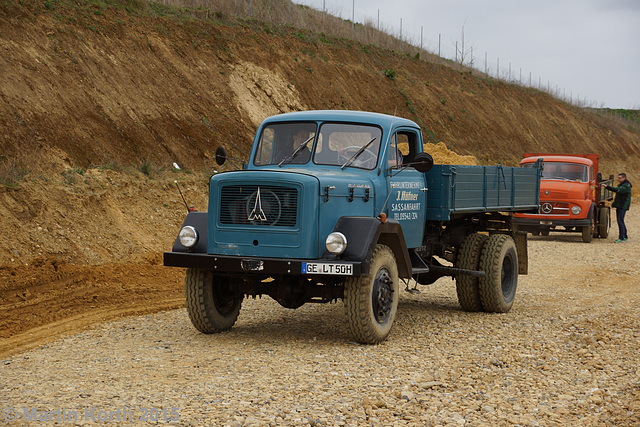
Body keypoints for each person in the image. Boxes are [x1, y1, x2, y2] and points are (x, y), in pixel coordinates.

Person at [602, 173, 632, 243]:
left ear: (624, 178)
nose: (618, 179)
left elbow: (617, 190)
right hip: (620, 205)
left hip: (623, 205)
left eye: (620, 178)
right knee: (621, 220)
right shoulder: (622, 184)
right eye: (618, 178)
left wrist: (607, 187)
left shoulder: (626, 186)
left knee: (620, 220)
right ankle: (625, 236)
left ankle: (621, 237)